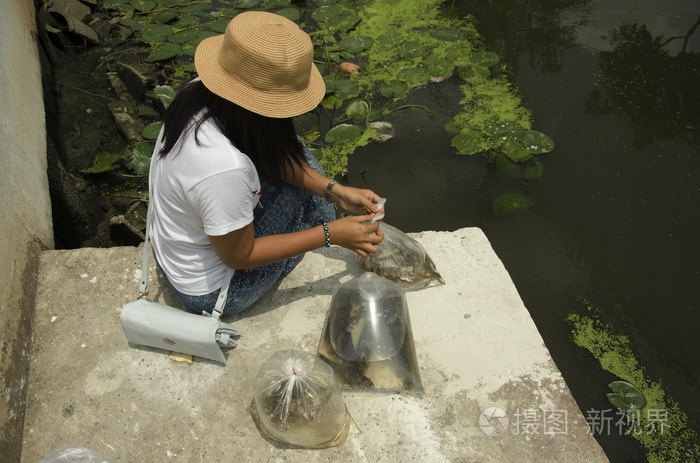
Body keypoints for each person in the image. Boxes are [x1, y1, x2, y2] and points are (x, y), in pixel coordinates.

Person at [149, 11, 384, 317]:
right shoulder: (223, 167)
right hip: (215, 290)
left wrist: (335, 190)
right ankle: (321, 221)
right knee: (308, 204)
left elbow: (267, 150)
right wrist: (330, 233)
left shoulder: (199, 91)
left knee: (296, 152)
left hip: (179, 246)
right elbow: (239, 255)